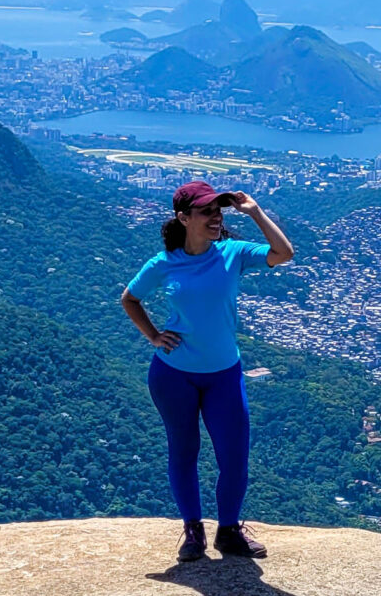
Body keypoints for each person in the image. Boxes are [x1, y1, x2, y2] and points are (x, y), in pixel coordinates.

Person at [119, 179, 295, 563]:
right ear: (183, 217)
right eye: (206, 212)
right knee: (184, 451)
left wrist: (254, 212)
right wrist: (152, 335)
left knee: (234, 455)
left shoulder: (233, 253)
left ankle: (228, 530)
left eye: (218, 211)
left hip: (223, 375)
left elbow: (284, 253)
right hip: (173, 374)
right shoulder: (162, 264)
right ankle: (193, 530)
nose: (215, 218)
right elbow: (130, 298)